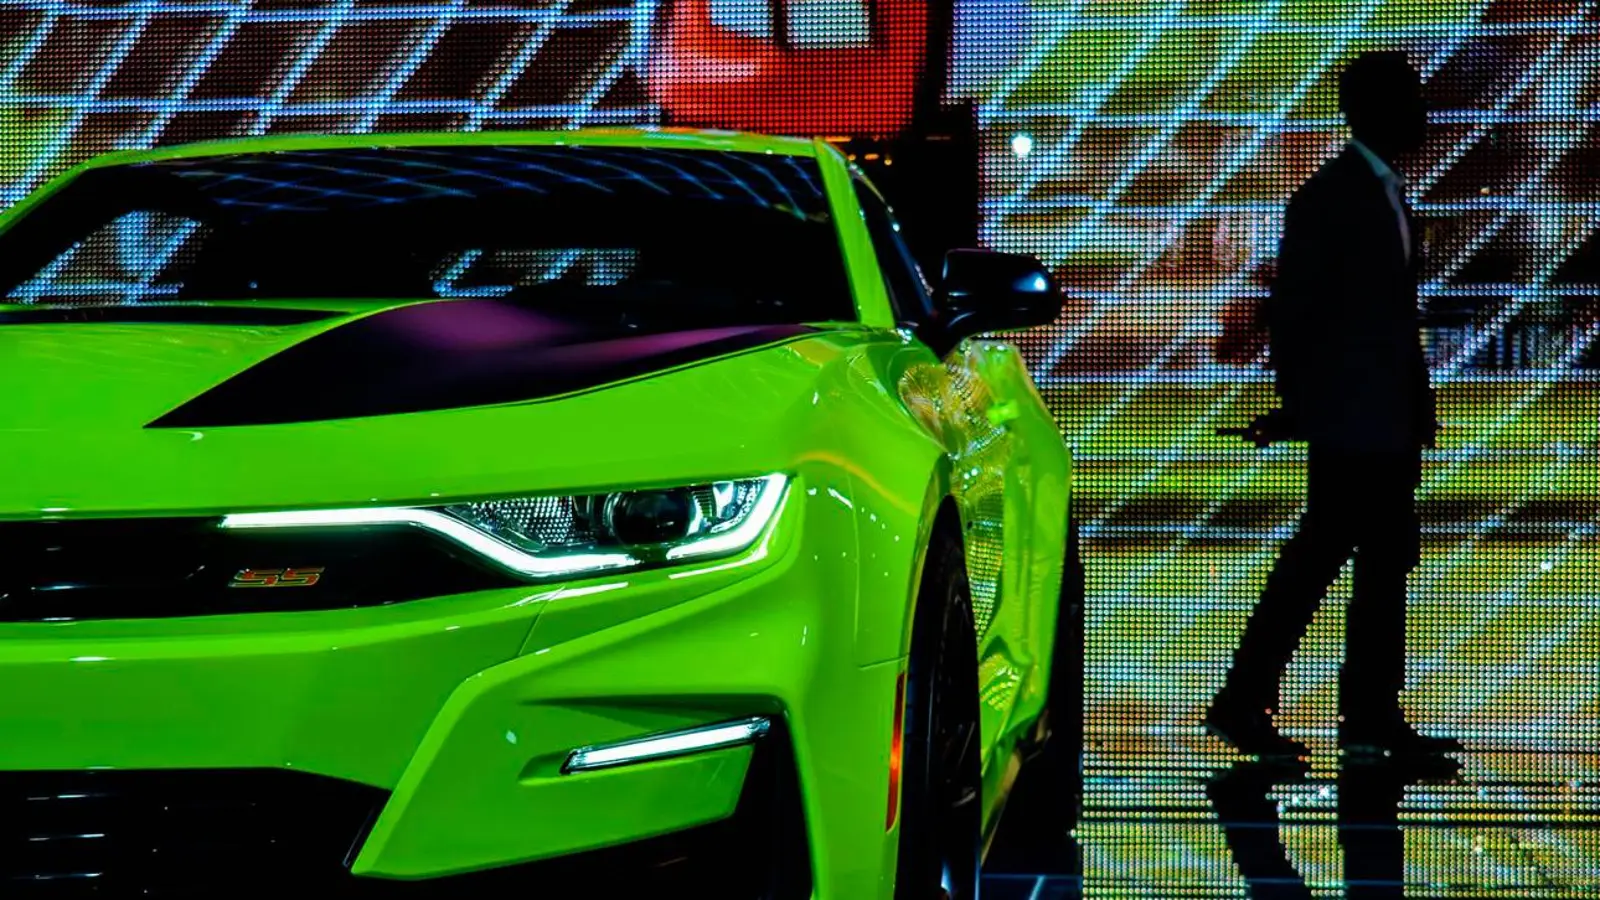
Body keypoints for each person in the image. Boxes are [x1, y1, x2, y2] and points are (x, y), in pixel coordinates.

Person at [1205, 51, 1463, 763]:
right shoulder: (1337, 197)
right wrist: (1307, 404)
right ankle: (1313, 709)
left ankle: (1350, 713)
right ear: (1377, 109)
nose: (1423, 112)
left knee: (1358, 564)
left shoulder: (1364, 191)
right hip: (1359, 422)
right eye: (1411, 98)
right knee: (1337, 564)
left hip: (1375, 418)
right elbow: (1303, 311)